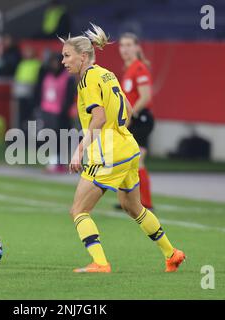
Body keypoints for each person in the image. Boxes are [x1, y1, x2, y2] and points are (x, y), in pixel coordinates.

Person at [60, 23, 185, 273]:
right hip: (127, 147)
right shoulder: (108, 74)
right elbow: (127, 109)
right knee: (133, 207)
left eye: (66, 55)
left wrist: (80, 150)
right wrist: (118, 133)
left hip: (107, 152)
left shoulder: (87, 80)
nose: (63, 61)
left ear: (83, 56)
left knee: (78, 210)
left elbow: (98, 116)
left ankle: (100, 263)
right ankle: (172, 254)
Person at [113, 32, 155, 210]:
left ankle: (144, 202)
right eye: (122, 45)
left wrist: (128, 117)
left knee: (135, 160)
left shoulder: (139, 69)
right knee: (129, 160)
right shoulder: (129, 69)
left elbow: (145, 97)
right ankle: (131, 201)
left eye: (129, 45)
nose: (125, 49)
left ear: (137, 47)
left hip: (140, 119)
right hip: (134, 119)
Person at [35, 52, 76, 173]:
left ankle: (59, 163)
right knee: (50, 137)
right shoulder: (47, 76)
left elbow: (69, 96)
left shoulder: (67, 77)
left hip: (60, 112)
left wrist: (64, 110)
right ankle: (53, 162)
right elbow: (40, 90)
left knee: (60, 138)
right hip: (47, 110)